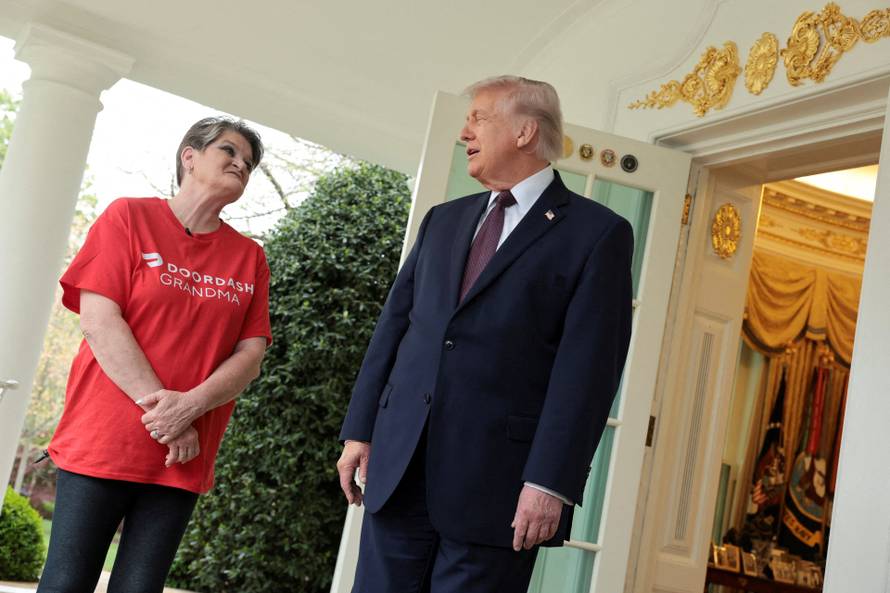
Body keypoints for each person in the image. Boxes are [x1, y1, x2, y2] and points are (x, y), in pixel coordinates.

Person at [337, 76, 634, 593]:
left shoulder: (598, 233)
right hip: (399, 468)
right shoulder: (442, 221)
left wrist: (549, 483)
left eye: (478, 118)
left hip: (501, 490)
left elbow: (587, 373)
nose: (464, 132)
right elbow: (395, 328)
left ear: (525, 131)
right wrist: (359, 430)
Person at [37, 116, 272, 593]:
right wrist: (171, 415)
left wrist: (190, 408)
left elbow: (251, 354)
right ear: (190, 155)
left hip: (179, 458)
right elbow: (100, 321)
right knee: (66, 584)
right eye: (229, 151)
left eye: (249, 163)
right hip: (104, 442)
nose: (240, 164)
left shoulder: (249, 258)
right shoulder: (128, 217)